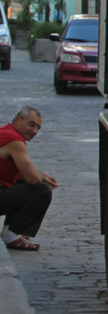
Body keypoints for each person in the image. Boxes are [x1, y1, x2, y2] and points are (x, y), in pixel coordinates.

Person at [0, 105, 57, 251]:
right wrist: (42, 178)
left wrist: (41, 175)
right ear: (18, 120)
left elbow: (13, 173)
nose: (34, 131)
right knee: (42, 190)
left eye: (38, 128)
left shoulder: (4, 132)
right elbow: (32, 178)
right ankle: (11, 236)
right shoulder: (14, 140)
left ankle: (10, 231)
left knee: (21, 187)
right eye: (31, 125)